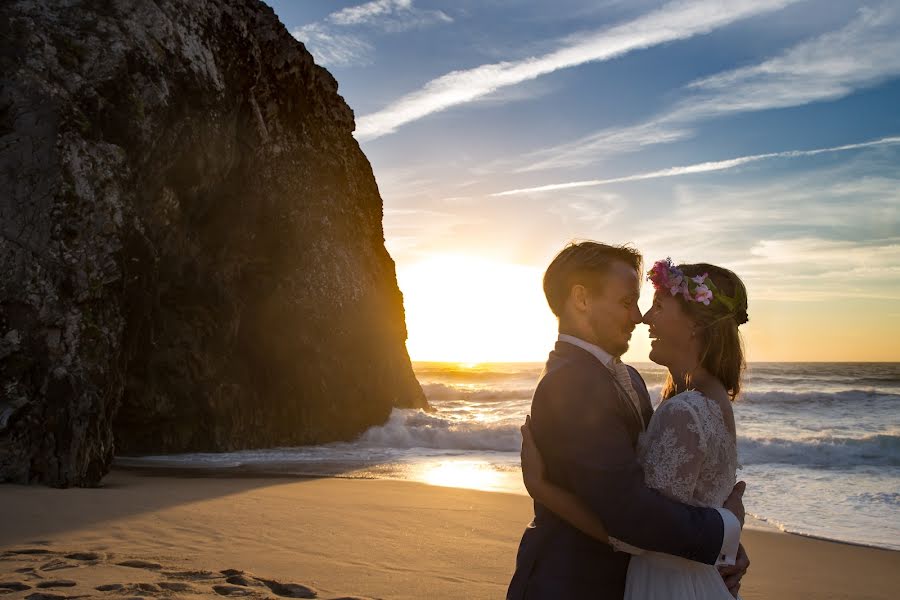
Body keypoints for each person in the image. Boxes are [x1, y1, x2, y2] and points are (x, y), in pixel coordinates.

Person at [507, 242, 749, 599]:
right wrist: (723, 533)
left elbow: (668, 487)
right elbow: (629, 511)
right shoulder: (570, 383)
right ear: (582, 299)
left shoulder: (632, 378)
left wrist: (715, 553)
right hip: (571, 585)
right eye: (626, 302)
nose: (638, 316)